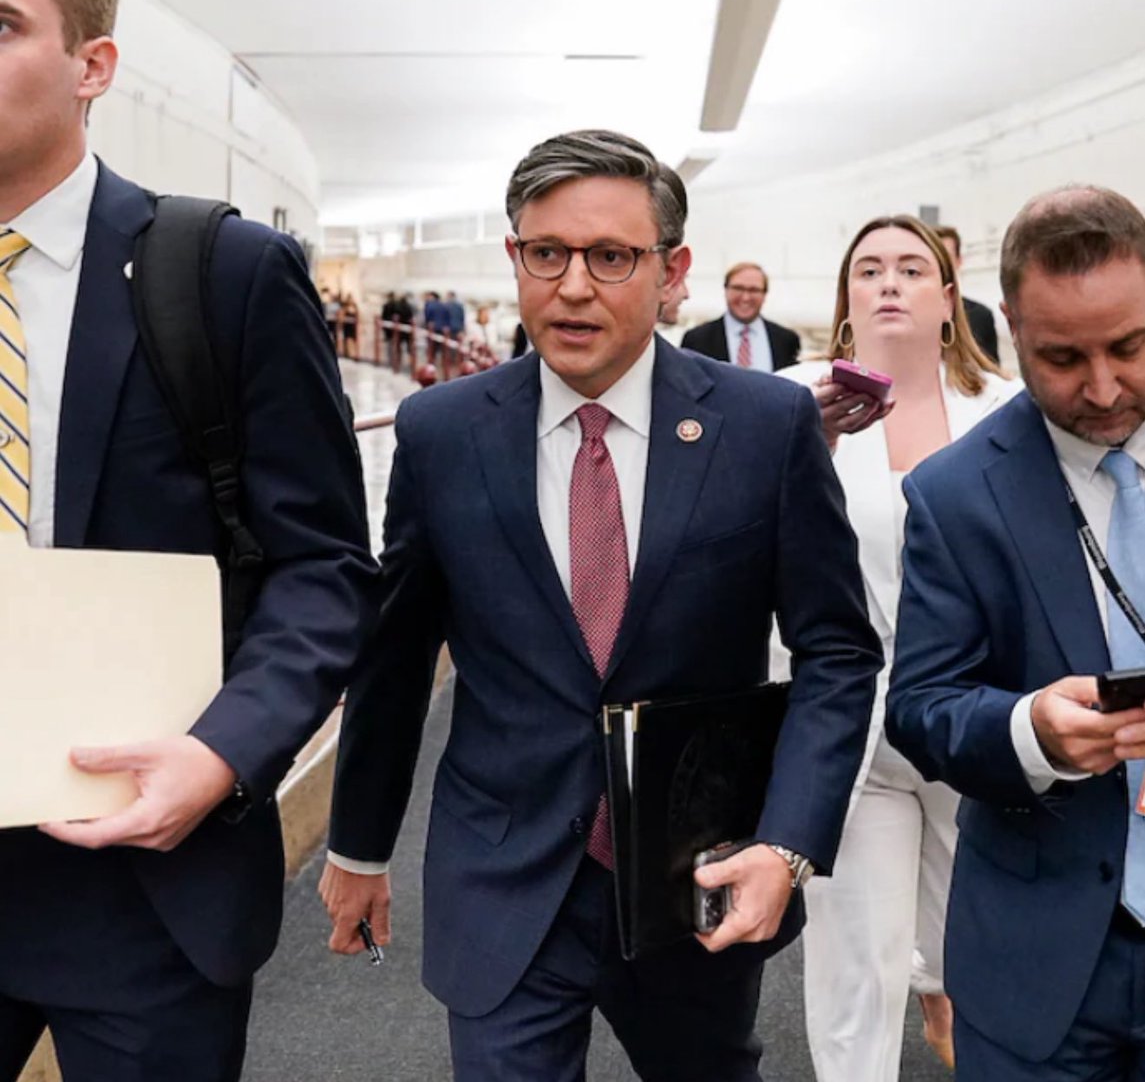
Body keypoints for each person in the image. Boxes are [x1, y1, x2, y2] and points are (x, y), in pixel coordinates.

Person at [320, 129, 881, 1081]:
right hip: (500, 872)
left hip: (692, 872)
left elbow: (836, 652)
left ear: (671, 271)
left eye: (612, 256)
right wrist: (359, 847)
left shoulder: (761, 426)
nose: (573, 285)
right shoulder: (441, 432)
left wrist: (786, 845)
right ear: (516, 259)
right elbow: (397, 654)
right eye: (547, 253)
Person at [0, 0, 377, 1082]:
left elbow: (322, 567)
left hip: (139, 887)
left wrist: (222, 754)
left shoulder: (214, 274)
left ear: (93, 65)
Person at [886, 185, 1145, 1079]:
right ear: (1008, 325)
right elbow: (919, 708)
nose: (1103, 386)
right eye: (1062, 358)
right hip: (1042, 973)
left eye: (1130, 347)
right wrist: (1030, 730)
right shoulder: (953, 495)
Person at [775, 216, 1015, 1080]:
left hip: (974, 722)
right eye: (868, 269)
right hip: (850, 729)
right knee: (854, 970)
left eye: (912, 269)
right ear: (845, 300)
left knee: (985, 946)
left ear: (949, 301)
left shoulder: (1005, 413)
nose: (888, 282)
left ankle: (946, 999)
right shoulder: (789, 404)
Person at [681, 261, 800, 371]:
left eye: (754, 290)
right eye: (738, 288)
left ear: (765, 294)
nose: (745, 298)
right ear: (726, 290)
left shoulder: (786, 340)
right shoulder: (697, 340)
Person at [933, 225, 1001, 364]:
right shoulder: (910, 316)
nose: (941, 265)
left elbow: (993, 372)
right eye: (935, 258)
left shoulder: (981, 316)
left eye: (947, 257)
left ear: (959, 261)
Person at [340, 293, 359, 359]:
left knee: (354, 340)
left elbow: (358, 316)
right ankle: (347, 353)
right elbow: (342, 316)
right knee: (347, 339)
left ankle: (354, 354)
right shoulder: (345, 307)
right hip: (347, 325)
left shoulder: (355, 307)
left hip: (353, 326)